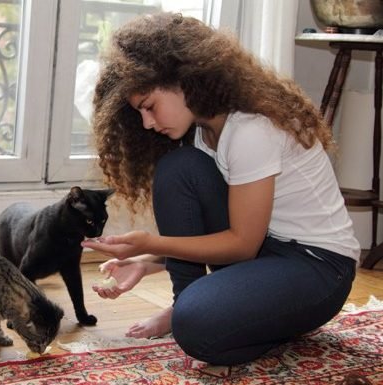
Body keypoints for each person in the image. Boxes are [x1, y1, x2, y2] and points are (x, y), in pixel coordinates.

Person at [81, 12, 360, 366]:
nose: (147, 123)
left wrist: (152, 243)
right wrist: (148, 261)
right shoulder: (201, 133)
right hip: (269, 250)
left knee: (198, 329)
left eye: (149, 107)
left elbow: (242, 245)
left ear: (185, 79)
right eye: (139, 114)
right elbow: (232, 233)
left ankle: (237, 322)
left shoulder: (251, 130)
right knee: (178, 170)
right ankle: (191, 305)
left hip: (319, 268)